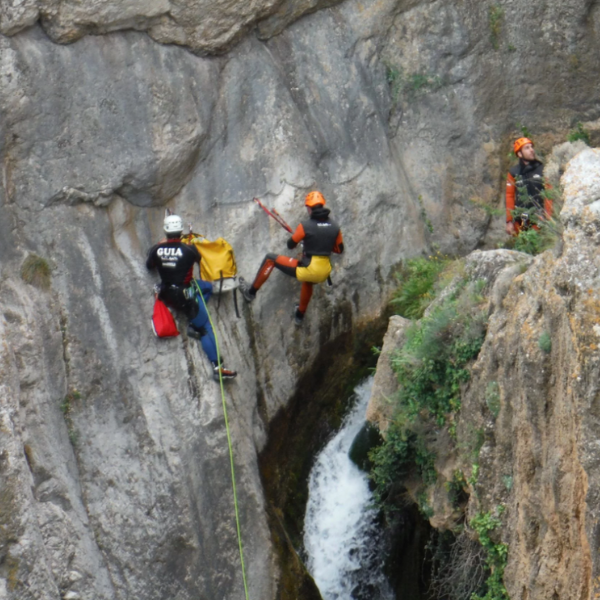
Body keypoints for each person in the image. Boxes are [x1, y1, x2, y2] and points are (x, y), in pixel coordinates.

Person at [146, 214, 237, 382]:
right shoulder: (189, 249)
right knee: (206, 327)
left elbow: (149, 265)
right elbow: (200, 260)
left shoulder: (156, 249)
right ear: (180, 230)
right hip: (185, 295)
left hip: (166, 292)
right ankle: (217, 367)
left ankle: (195, 319)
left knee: (206, 287)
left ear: (165, 231)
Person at [238, 191, 344, 326]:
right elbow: (339, 249)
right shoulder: (335, 226)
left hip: (309, 268)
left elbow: (290, 245)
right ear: (323, 205)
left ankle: (250, 293)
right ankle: (299, 316)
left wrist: (307, 241)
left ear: (309, 208)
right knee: (308, 282)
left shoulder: (305, 226)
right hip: (324, 272)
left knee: (270, 259)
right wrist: (322, 245)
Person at [506, 137, 553, 236]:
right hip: (522, 219)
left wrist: (548, 216)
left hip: (539, 217)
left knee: (539, 243)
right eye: (527, 148)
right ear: (519, 154)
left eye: (531, 147)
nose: (531, 150)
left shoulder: (542, 169)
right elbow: (509, 196)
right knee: (524, 244)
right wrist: (509, 221)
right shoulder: (513, 172)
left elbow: (549, 194)